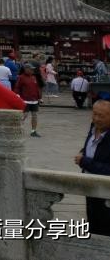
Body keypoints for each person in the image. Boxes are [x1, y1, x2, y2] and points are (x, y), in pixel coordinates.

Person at [74, 100, 110, 236]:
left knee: (104, 225)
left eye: (101, 116)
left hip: (105, 189)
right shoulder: (93, 126)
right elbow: (92, 147)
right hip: (89, 183)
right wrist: (83, 152)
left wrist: (85, 162)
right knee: (92, 217)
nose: (96, 119)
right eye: (95, 114)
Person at [14, 65, 42, 137]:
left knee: (34, 116)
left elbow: (37, 88)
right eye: (31, 69)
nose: (33, 71)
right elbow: (17, 87)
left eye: (33, 69)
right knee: (24, 116)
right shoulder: (21, 77)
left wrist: (39, 97)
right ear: (26, 69)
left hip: (34, 100)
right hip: (25, 100)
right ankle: (17, 129)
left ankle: (33, 131)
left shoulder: (34, 77)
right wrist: (17, 96)